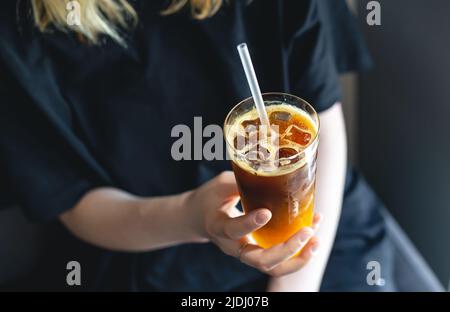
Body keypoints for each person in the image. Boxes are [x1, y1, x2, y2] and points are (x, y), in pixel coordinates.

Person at [0, 0, 394, 291]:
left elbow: (321, 123)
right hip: (146, 252)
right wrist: (191, 216)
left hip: (318, 225)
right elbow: (72, 200)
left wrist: (294, 283)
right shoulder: (19, 23)